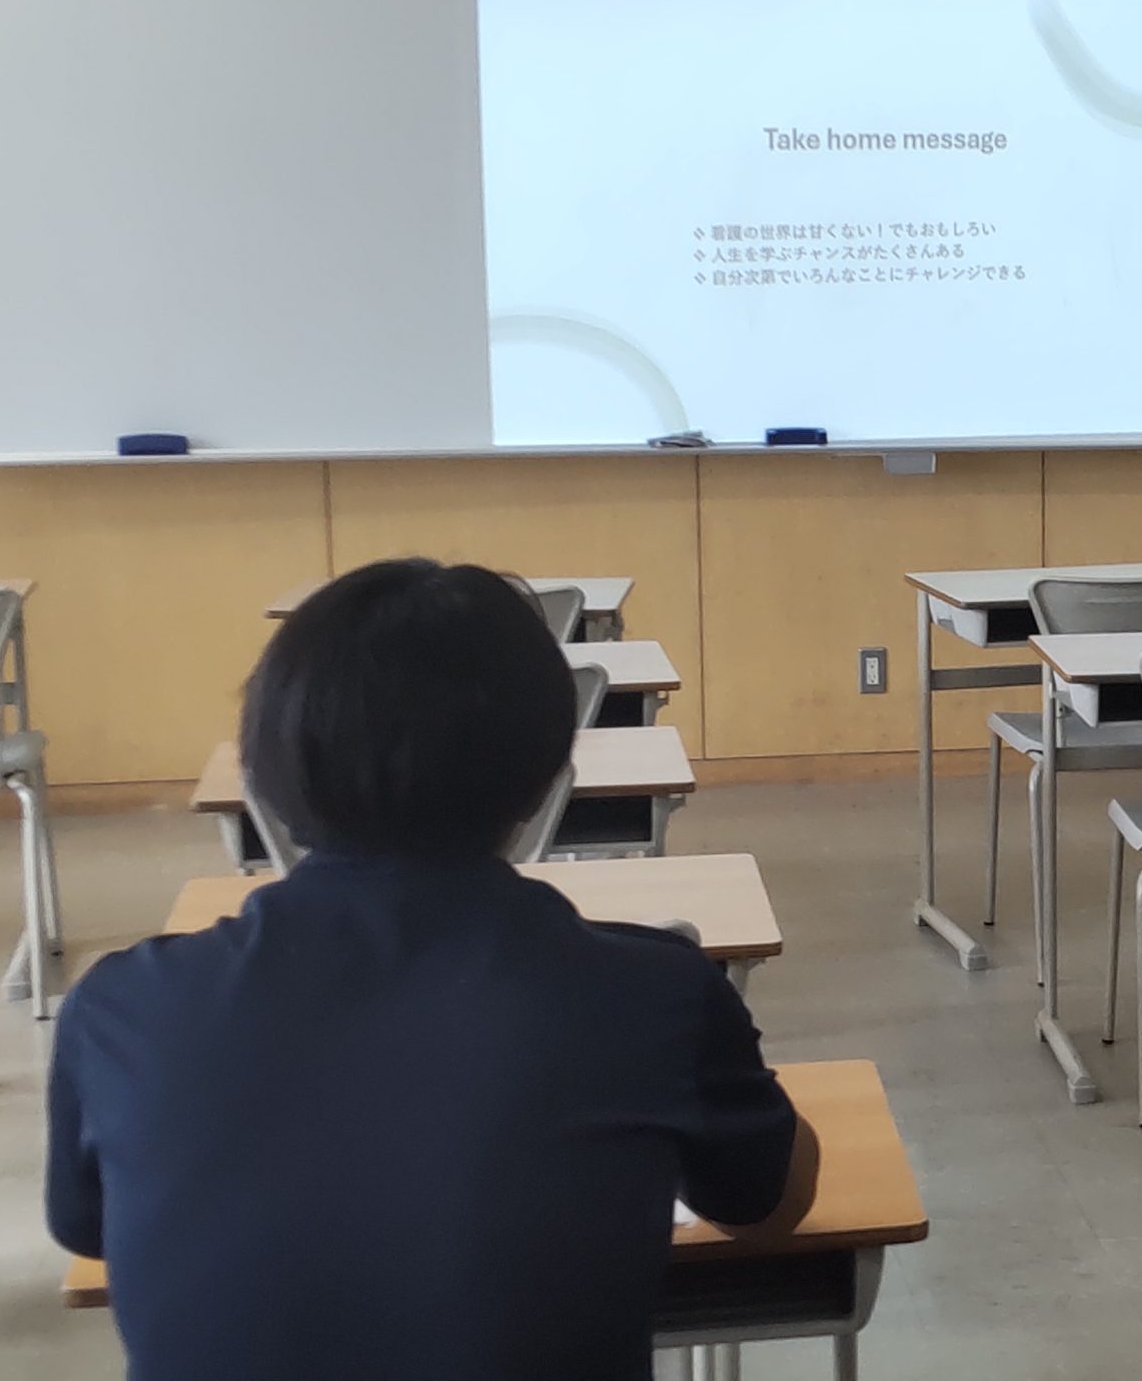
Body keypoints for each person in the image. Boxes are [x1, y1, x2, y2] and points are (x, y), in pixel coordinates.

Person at [46, 560, 812, 1381]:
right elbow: (769, 1201)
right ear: (548, 782)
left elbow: (87, 1229)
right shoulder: (652, 994)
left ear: (264, 772)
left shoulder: (122, 1009)